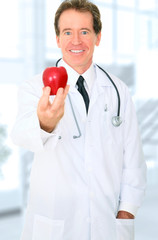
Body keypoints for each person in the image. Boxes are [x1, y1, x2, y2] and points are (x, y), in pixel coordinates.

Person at [11, 0, 147, 239]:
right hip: (55, 224)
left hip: (108, 224)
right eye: (67, 32)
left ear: (98, 37)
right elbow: (20, 135)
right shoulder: (35, 87)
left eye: (84, 31)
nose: (76, 41)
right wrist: (45, 123)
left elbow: (133, 157)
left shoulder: (118, 91)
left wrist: (127, 212)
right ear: (57, 39)